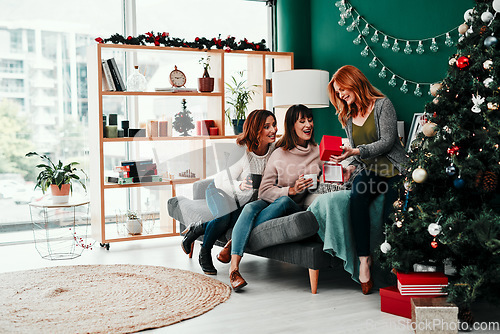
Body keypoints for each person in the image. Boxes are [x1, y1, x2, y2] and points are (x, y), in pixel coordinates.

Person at [327, 65, 408, 294]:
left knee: (390, 213)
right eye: (338, 92)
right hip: (371, 171)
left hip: (393, 169)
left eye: (343, 88)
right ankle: (364, 260)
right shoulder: (349, 117)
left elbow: (387, 142)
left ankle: (394, 266)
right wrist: (350, 168)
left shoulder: (383, 104)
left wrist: (355, 152)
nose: (341, 95)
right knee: (357, 195)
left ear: (354, 81)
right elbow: (359, 157)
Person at [223, 104, 322, 291]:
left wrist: (344, 172)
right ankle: (234, 269)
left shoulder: (318, 152)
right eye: (302, 121)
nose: (308, 124)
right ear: (292, 126)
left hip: (293, 206)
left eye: (310, 120)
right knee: (250, 207)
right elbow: (264, 191)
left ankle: (233, 242)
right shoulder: (278, 153)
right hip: (272, 202)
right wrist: (291, 189)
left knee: (284, 201)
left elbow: (332, 175)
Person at [181, 109, 277, 275]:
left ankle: (197, 229)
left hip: (242, 201)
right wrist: (240, 186)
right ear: (256, 129)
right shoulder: (242, 152)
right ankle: (205, 252)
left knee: (233, 221)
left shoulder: (273, 150)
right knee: (223, 218)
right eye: (267, 126)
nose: (273, 130)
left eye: (274, 125)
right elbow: (225, 180)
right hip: (219, 190)